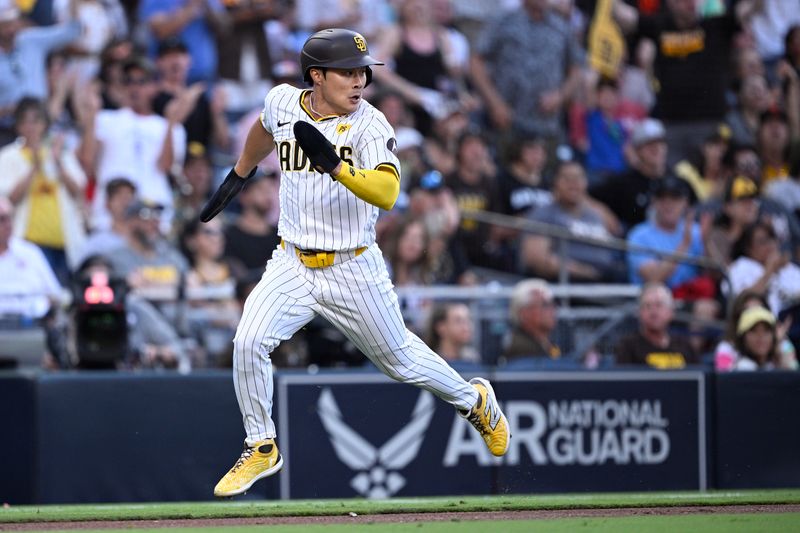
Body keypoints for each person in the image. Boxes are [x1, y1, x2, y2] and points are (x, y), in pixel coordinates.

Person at [201, 28, 510, 498]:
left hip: (353, 264)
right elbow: (264, 128)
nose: (359, 80)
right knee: (248, 341)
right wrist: (242, 171)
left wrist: (337, 167)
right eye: (347, 72)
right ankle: (261, 445)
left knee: (401, 362)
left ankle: (475, 400)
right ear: (316, 76)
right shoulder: (284, 102)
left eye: (362, 71)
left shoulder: (371, 125)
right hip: (293, 262)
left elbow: (388, 193)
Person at [0, 97, 87, 282]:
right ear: (18, 125)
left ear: (45, 124)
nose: (31, 126)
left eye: (36, 120)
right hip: (28, 242)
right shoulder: (8, 156)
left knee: (64, 298)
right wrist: (34, 168)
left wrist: (58, 163)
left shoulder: (60, 153)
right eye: (25, 121)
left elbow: (78, 191)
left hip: (64, 241)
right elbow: (8, 201)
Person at [614, 282, 698, 369]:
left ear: (671, 312)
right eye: (647, 306)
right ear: (639, 312)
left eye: (659, 305)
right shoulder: (628, 347)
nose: (653, 312)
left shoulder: (686, 346)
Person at [502, 278, 561, 363]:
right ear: (524, 313)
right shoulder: (520, 348)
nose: (552, 310)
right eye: (545, 305)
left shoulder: (549, 343)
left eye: (552, 304)